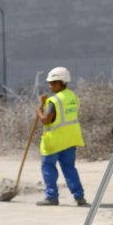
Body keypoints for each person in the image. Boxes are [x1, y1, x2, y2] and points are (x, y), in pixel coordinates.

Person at [35, 67, 87, 206]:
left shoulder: (54, 100)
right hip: (70, 139)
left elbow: (46, 120)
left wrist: (39, 111)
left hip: (55, 141)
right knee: (69, 167)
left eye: (52, 83)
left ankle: (51, 197)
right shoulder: (73, 96)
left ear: (60, 82)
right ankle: (79, 196)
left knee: (48, 167)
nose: (50, 85)